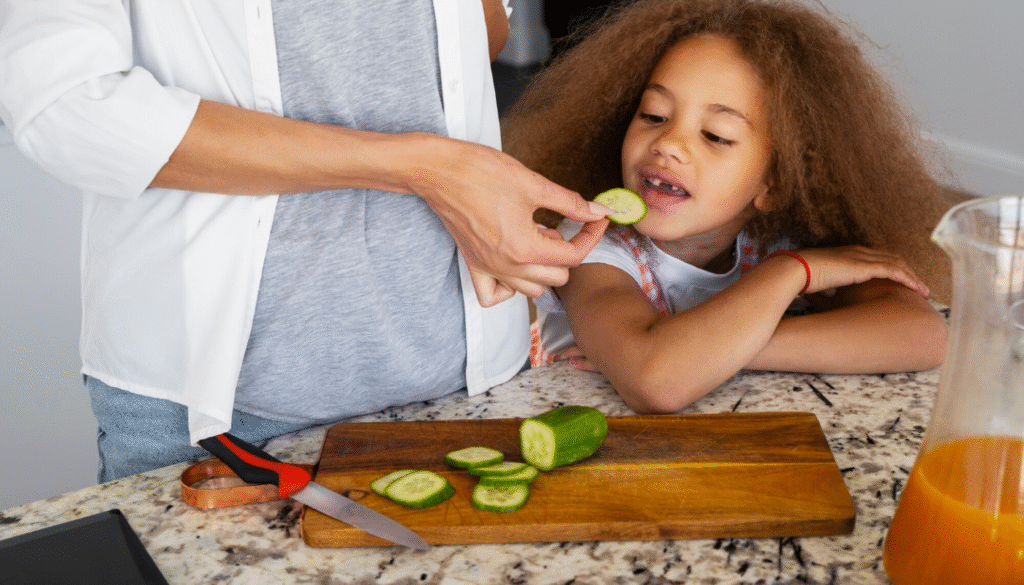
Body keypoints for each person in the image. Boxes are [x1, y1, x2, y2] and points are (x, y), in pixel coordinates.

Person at [0, 0, 611, 481]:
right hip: (220, 410)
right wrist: (423, 167)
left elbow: (480, 29)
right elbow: (66, 106)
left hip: (465, 367)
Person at [503, 0, 950, 413]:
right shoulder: (588, 247)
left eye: (715, 135)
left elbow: (924, 335)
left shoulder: (782, 236)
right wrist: (790, 273)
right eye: (654, 115)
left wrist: (712, 351)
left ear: (773, 183)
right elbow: (658, 381)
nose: (668, 144)